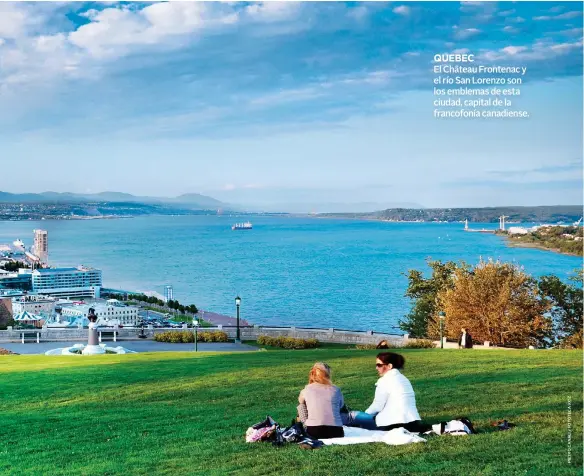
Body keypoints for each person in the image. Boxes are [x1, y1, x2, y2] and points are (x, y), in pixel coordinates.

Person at [346, 352, 428, 432]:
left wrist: (365, 414)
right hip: (412, 422)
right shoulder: (404, 379)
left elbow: (377, 406)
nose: (376, 368)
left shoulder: (384, 381)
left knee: (353, 415)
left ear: (389, 366)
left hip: (390, 425)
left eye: (379, 365)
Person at [297, 362, 345, 439]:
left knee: (301, 406)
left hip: (314, 432)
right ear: (328, 374)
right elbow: (341, 406)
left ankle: (303, 425)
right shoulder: (336, 389)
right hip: (336, 432)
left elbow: (300, 402)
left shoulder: (306, 389)